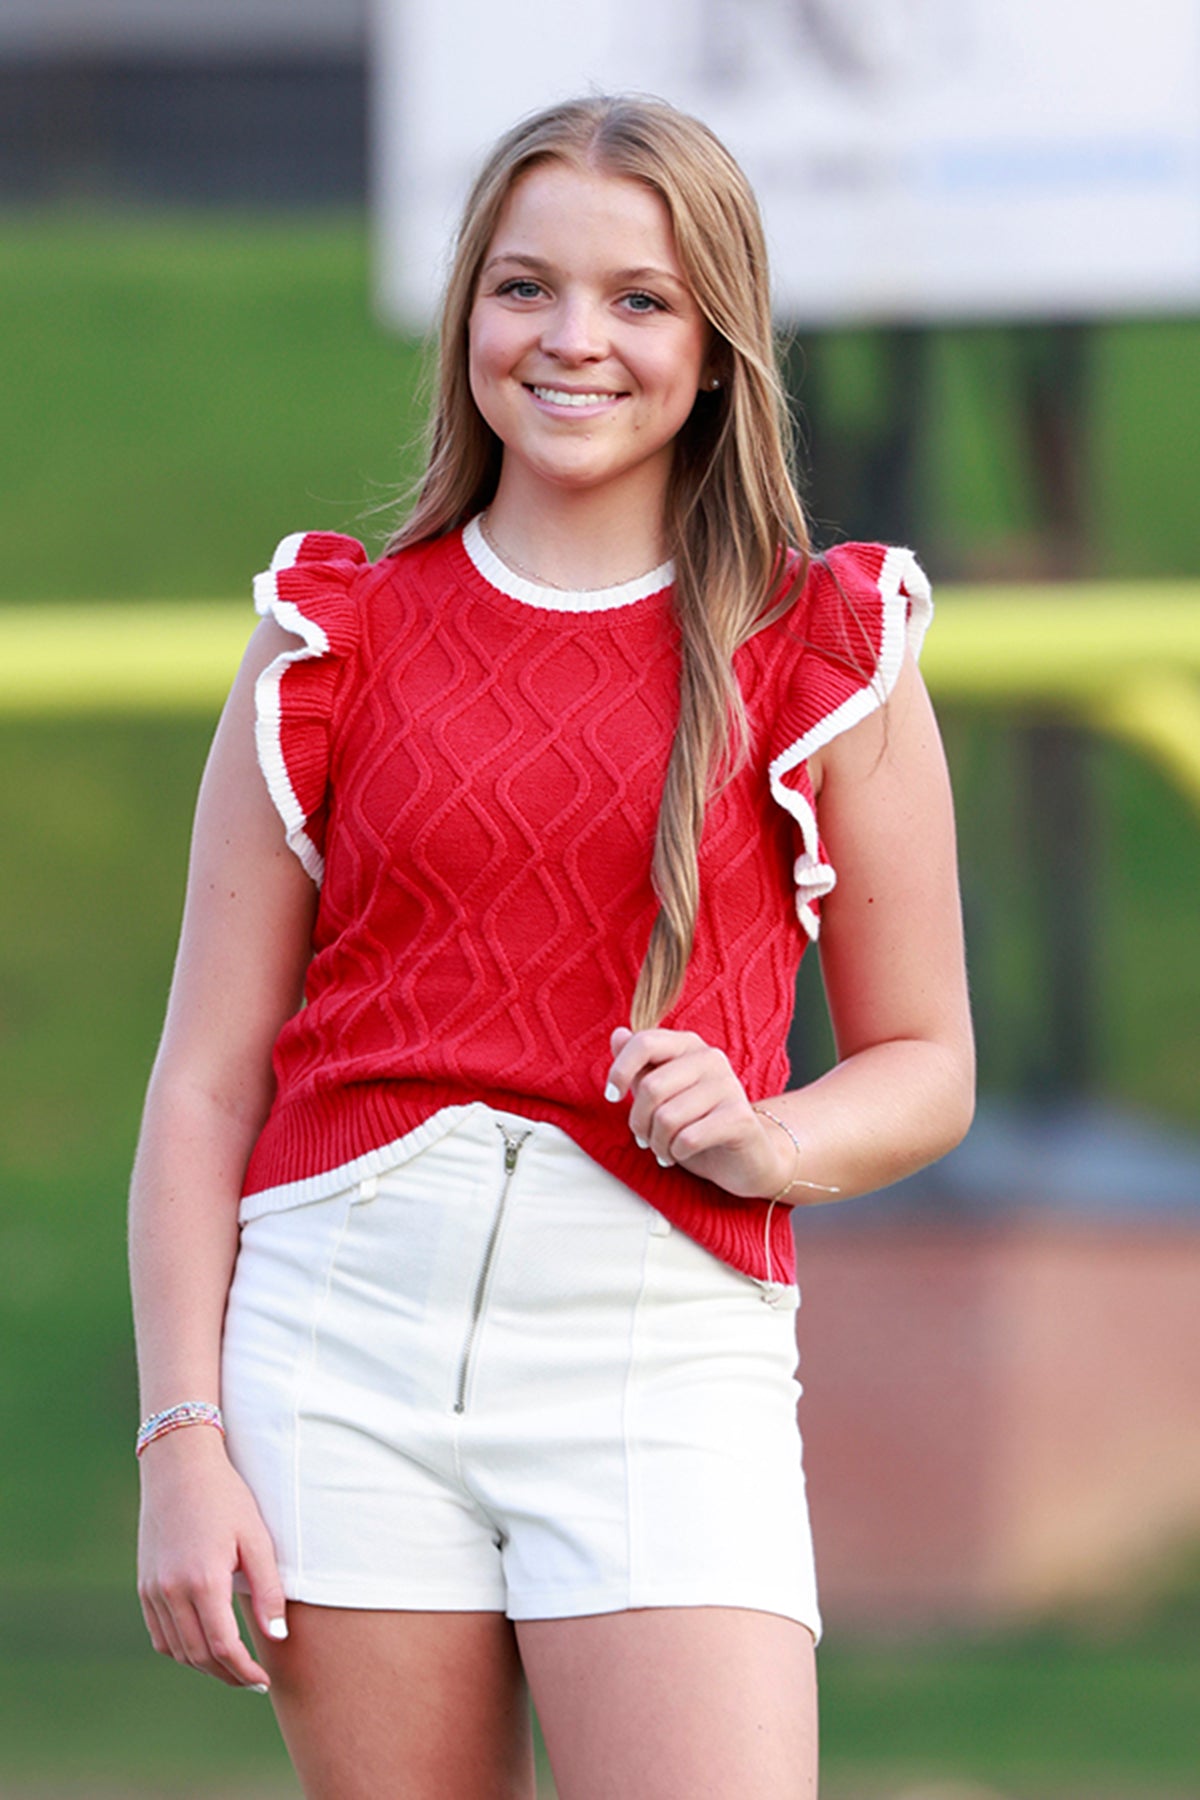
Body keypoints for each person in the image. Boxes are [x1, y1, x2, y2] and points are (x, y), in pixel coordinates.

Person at [129, 93, 974, 1800]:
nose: (574, 339)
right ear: (468, 318)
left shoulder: (827, 648)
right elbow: (208, 1082)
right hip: (336, 1347)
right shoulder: (329, 640)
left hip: (665, 1349)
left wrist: (770, 1137)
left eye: (640, 299)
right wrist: (182, 1437)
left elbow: (930, 1065)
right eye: (526, 288)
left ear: (720, 346)